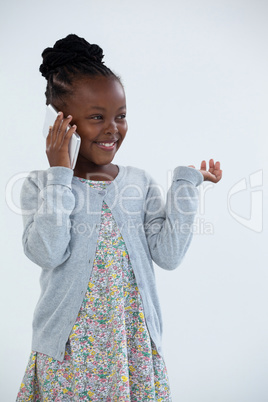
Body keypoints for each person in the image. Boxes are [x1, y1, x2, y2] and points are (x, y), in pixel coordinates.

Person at [16, 34, 222, 401]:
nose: (113, 128)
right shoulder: (40, 186)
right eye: (97, 117)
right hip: (71, 353)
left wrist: (188, 185)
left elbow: (169, 255)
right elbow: (48, 252)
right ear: (60, 123)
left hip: (133, 348)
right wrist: (60, 174)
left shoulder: (139, 183)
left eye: (121, 116)